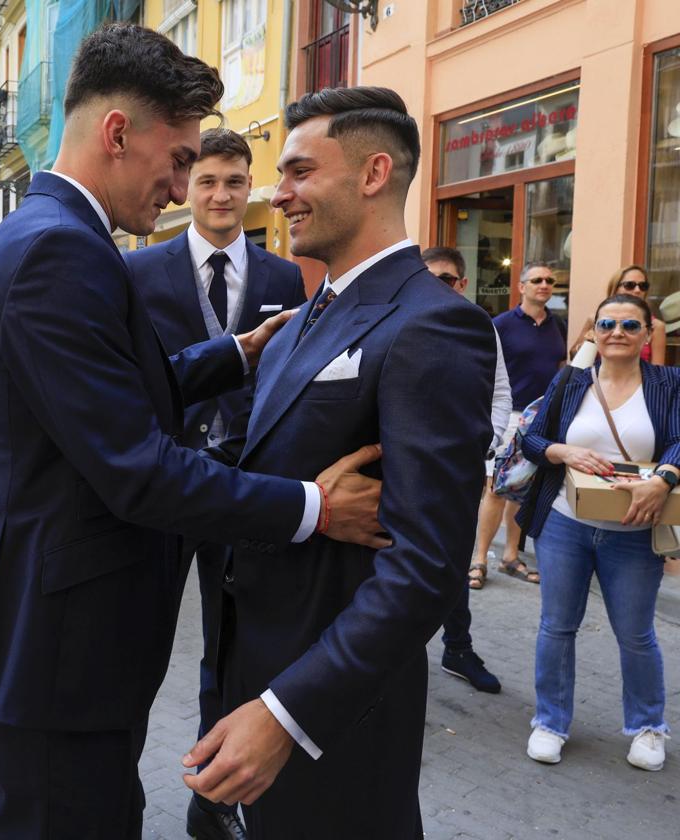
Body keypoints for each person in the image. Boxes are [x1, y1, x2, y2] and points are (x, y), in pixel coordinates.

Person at [0, 25, 384, 839]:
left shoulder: (50, 236)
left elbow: (101, 401)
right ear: (117, 134)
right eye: (179, 160)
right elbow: (136, 467)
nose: (181, 189)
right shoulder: (57, 254)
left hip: (45, 649)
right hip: (50, 660)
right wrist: (313, 508)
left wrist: (234, 355)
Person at [182, 87, 496, 838]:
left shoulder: (435, 324)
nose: (277, 193)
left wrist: (289, 714)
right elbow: (250, 462)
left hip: (334, 707)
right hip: (249, 666)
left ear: (373, 172)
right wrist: (308, 502)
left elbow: (426, 568)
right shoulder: (293, 327)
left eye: (297, 172)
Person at [126, 127, 306, 840]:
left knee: (230, 649)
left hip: (249, 492)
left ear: (249, 185)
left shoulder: (285, 278)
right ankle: (118, 782)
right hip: (167, 487)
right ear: (187, 189)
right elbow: (138, 381)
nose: (222, 195)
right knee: (137, 637)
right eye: (207, 181)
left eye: (235, 181)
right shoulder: (140, 273)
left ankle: (210, 795)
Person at [517, 293, 676, 771]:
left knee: (635, 633)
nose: (617, 333)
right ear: (594, 331)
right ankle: (550, 722)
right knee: (557, 627)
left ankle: (648, 727)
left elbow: (679, 440)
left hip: (634, 530)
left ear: (648, 335)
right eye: (607, 323)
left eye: (630, 326)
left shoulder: (669, 383)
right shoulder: (571, 381)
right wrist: (563, 453)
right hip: (565, 523)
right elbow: (531, 438)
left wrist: (663, 478)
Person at [422, 246, 510, 694]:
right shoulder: (402, 320)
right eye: (428, 277)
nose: (438, 286)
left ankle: (458, 648)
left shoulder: (480, 328)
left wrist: (484, 446)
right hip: (405, 469)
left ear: (461, 284)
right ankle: (393, 657)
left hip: (459, 470)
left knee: (454, 563)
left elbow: (499, 394)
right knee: (396, 563)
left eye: (447, 279)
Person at [471, 262, 567, 588]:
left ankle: (511, 556)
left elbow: (560, 366)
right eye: (536, 280)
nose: (544, 284)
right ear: (521, 286)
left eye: (549, 281)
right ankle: (479, 559)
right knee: (496, 490)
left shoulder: (559, 325)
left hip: (541, 418)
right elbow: (484, 371)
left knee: (523, 491)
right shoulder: (501, 324)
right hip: (509, 416)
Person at [569, 266, 667, 365]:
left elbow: (658, 369)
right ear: (615, 288)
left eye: (643, 286)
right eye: (630, 285)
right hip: (597, 379)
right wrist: (588, 343)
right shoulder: (595, 319)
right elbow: (573, 355)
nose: (638, 290)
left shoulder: (655, 326)